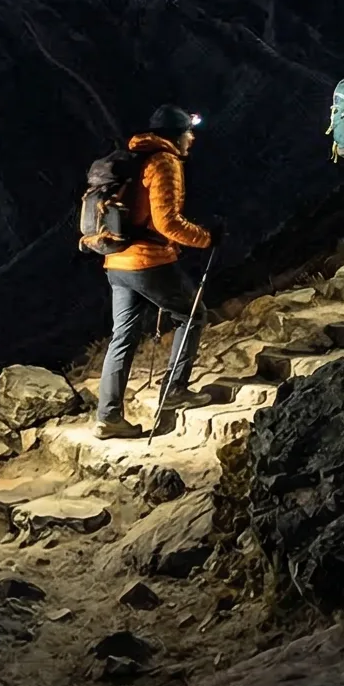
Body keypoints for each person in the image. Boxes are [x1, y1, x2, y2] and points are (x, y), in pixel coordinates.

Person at [92, 106, 213, 439]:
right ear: (176, 135)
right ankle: (175, 389)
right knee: (192, 314)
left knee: (122, 336)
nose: (192, 138)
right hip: (147, 260)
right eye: (188, 132)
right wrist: (206, 238)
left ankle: (108, 417)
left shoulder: (133, 158)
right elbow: (166, 222)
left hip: (116, 260)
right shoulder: (164, 162)